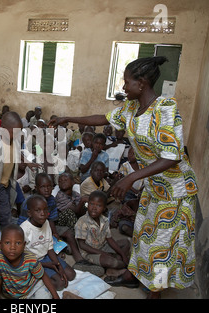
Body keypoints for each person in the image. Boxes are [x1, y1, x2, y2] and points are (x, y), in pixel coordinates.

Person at [49, 56, 198, 299]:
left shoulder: (166, 109)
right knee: (143, 235)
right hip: (154, 186)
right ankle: (133, 275)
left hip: (175, 189)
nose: (123, 87)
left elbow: (172, 156)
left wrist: (131, 178)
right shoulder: (130, 108)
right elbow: (103, 118)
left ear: (141, 83)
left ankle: (155, 290)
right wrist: (69, 118)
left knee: (163, 244)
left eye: (127, 82)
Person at [20, 194, 76, 291]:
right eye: (38, 210)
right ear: (29, 213)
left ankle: (50, 273)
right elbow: (23, 259)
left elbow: (49, 247)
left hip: (47, 257)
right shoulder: (24, 230)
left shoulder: (46, 223)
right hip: (34, 262)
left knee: (71, 275)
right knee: (60, 284)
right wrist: (47, 265)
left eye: (45, 210)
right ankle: (38, 281)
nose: (43, 213)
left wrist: (57, 264)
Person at [0, 224, 60, 299]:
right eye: (7, 243)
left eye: (18, 243)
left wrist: (56, 296)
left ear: (24, 245)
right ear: (0, 244)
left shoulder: (30, 259)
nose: (12, 247)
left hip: (32, 288)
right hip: (11, 294)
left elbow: (42, 275)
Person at [75, 190, 130, 278]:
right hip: (89, 253)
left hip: (103, 246)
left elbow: (109, 239)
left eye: (99, 205)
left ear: (104, 208)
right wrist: (102, 253)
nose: (94, 208)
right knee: (111, 261)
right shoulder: (82, 221)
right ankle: (120, 265)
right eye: (92, 204)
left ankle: (111, 269)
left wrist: (123, 255)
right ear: (87, 204)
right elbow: (82, 245)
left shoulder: (104, 220)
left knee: (126, 243)